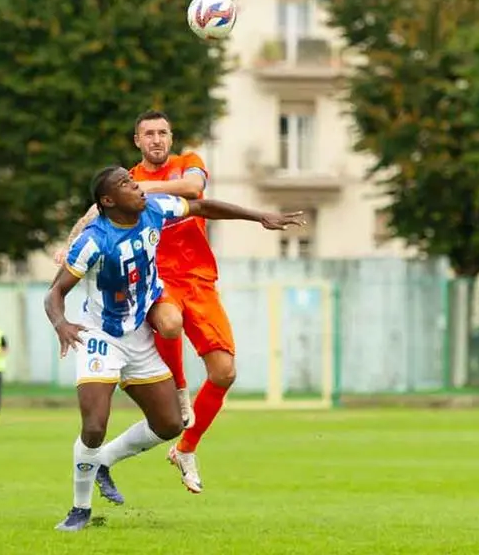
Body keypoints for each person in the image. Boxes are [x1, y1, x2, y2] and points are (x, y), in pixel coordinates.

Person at [46, 165, 303, 531]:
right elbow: (55, 292)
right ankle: (79, 509)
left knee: (170, 425)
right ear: (107, 201)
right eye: (126, 184)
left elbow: (202, 206)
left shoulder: (154, 209)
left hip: (139, 336)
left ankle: (103, 462)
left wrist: (259, 216)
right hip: (101, 337)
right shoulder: (94, 241)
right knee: (94, 426)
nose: (137, 187)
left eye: (133, 181)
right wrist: (62, 324)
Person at [56, 110, 240, 494]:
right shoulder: (124, 182)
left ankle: (186, 448)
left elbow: (193, 190)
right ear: (137, 141)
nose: (156, 139)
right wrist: (70, 242)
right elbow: (95, 213)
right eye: (148, 134)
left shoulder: (186, 164)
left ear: (171, 138)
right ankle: (178, 390)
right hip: (160, 281)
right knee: (169, 323)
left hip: (200, 279)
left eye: (162, 133)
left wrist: (143, 189)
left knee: (224, 373)